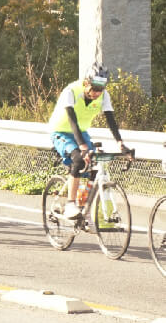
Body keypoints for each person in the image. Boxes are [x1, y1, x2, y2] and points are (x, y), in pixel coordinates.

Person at [49, 63, 130, 219]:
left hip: (82, 131)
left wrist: (120, 143)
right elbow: (72, 121)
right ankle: (70, 203)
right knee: (79, 160)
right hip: (61, 131)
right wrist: (82, 146)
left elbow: (111, 120)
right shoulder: (71, 91)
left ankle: (83, 209)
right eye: (94, 88)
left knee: (93, 166)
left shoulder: (104, 95)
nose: (96, 93)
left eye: (100, 90)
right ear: (86, 83)